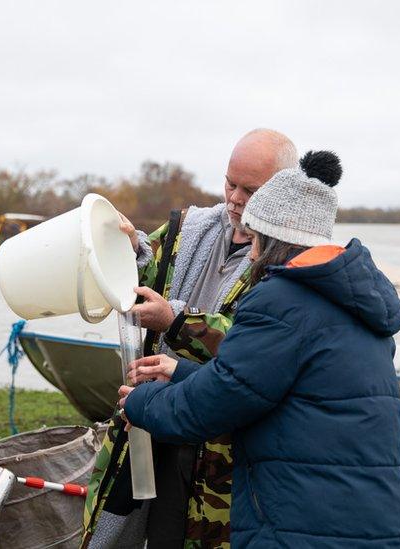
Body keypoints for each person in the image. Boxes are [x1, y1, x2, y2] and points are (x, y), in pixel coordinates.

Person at [120, 151, 400, 547]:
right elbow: (272, 388)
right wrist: (178, 371)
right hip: (363, 514)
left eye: (256, 239)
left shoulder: (281, 300)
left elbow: (209, 407)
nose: (251, 254)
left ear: (275, 239)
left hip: (300, 522)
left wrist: (139, 402)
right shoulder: (356, 301)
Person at [83, 129, 298, 548]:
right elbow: (144, 280)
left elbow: (257, 347)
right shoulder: (188, 227)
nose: (235, 198)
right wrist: (130, 249)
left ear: (281, 193)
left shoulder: (287, 258)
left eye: (250, 191)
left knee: (177, 534)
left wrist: (175, 321)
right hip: (145, 415)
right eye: (230, 183)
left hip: (216, 447)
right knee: (117, 522)